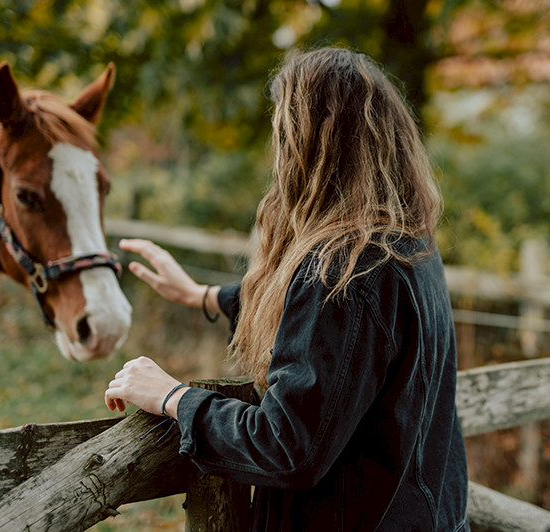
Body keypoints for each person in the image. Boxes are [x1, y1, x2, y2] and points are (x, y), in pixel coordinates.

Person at [105, 47, 470, 531]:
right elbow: (336, 343)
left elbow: (285, 447)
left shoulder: (342, 270)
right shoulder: (407, 246)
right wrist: (202, 295)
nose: (278, 154)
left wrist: (173, 396)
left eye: (283, 132)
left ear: (314, 144)